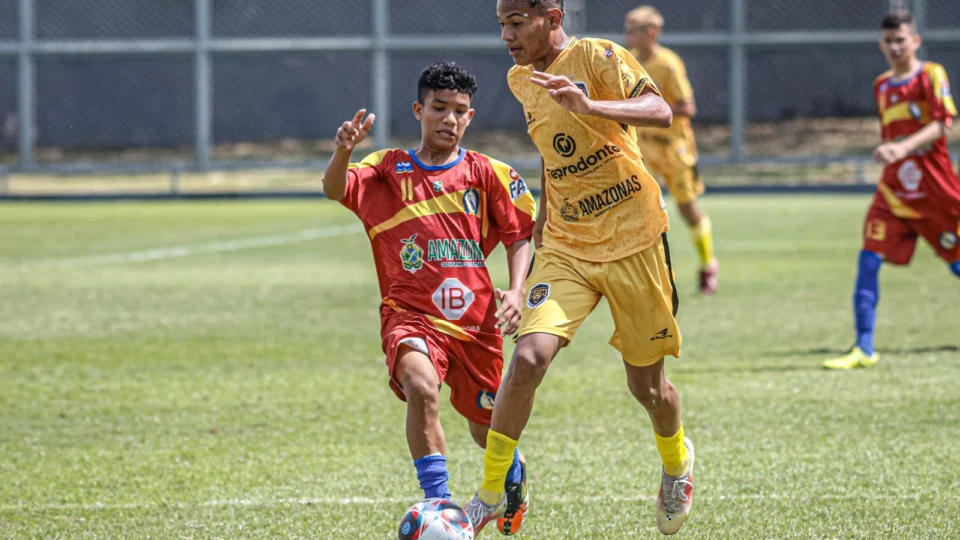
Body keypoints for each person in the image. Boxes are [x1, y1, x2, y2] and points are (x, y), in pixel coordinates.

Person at [464, 1, 695, 536]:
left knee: (648, 388)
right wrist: (544, 218)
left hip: (634, 239)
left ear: (551, 14)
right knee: (526, 359)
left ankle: (677, 463)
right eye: (501, 23)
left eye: (516, 22)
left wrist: (591, 105)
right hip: (568, 245)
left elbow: (661, 112)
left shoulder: (598, 56)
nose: (506, 35)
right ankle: (491, 492)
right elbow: (551, 152)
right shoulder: (522, 80)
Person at [322, 62, 535, 528]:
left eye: (459, 111)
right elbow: (334, 189)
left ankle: (512, 473)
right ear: (420, 110)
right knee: (421, 386)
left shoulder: (488, 173)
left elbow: (520, 234)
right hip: (410, 314)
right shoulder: (386, 168)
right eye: (439, 108)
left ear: (470, 117)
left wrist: (518, 291)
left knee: (485, 430)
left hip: (477, 322)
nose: (449, 119)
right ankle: (441, 506)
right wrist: (342, 152)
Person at [823, 12, 959, 370]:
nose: (896, 47)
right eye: (889, 41)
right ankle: (864, 348)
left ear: (915, 41)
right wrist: (891, 151)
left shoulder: (932, 74)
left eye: (902, 40)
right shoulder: (882, 84)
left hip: (935, 189)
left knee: (956, 262)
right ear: (881, 44)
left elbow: (943, 124)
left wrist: (902, 147)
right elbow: (892, 134)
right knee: (868, 259)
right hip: (894, 191)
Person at [624, 5, 719, 294]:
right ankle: (648, 274)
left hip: (673, 148)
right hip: (644, 147)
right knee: (639, 208)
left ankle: (707, 264)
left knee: (688, 209)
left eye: (633, 31)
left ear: (651, 32)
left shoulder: (668, 64)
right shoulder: (630, 63)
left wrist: (655, 110)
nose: (627, 36)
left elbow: (688, 107)